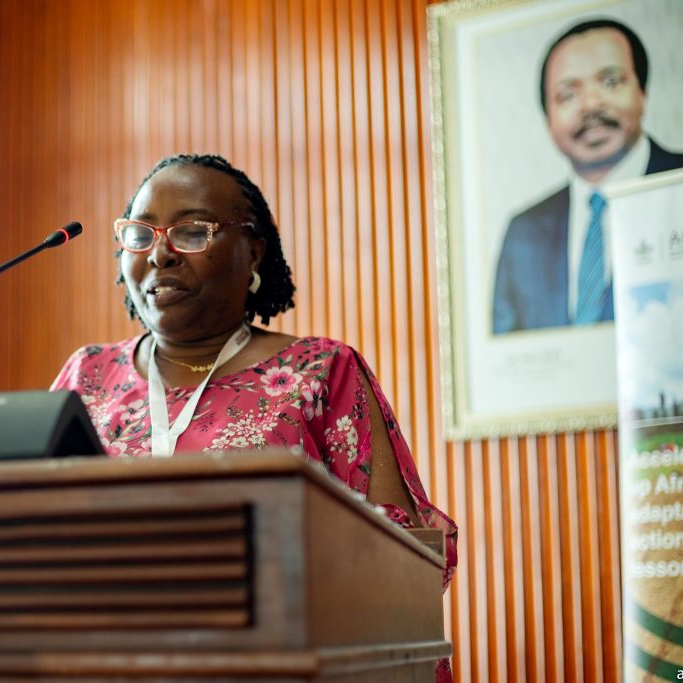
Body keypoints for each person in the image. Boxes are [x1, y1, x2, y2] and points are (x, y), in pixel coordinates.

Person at [51, 155, 457, 669]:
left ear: (253, 253)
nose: (160, 255)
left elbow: (399, 555)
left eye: (192, 232)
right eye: (141, 234)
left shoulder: (320, 371)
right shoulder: (86, 376)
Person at [492, 19, 683, 334]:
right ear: (548, 119)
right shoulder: (522, 233)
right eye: (568, 95)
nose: (591, 105)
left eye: (610, 82)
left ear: (643, 93)